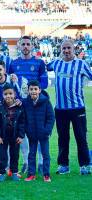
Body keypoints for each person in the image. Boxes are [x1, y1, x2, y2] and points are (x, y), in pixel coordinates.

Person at [47, 39, 92, 175]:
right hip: (60, 108)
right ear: (60, 49)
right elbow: (43, 67)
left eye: (68, 48)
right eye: (64, 48)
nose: (66, 51)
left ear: (73, 49)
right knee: (62, 138)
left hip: (78, 108)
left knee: (81, 137)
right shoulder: (56, 63)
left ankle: (84, 165)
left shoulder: (82, 63)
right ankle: (63, 165)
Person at [10, 35, 48, 174]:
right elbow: (11, 83)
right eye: (23, 44)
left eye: (28, 44)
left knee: (37, 133)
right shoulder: (13, 63)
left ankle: (40, 162)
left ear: (32, 46)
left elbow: (44, 82)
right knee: (22, 133)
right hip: (20, 104)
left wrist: (34, 93)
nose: (25, 47)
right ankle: (26, 162)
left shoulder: (39, 62)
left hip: (35, 104)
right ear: (19, 46)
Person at [22, 80, 55, 182]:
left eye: (35, 89)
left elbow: (51, 117)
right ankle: (31, 174)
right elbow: (23, 118)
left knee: (45, 154)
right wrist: (27, 130)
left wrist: (47, 131)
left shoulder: (46, 102)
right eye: (31, 89)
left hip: (43, 134)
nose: (33, 91)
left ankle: (46, 174)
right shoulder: (26, 102)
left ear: (39, 90)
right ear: (28, 90)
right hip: (32, 134)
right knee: (31, 154)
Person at [0, 83, 25, 182]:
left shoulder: (19, 107)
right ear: (3, 95)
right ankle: (2, 173)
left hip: (14, 135)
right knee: (2, 155)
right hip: (3, 136)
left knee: (14, 154)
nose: (8, 96)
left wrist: (21, 136)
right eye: (6, 94)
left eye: (10, 94)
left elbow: (22, 122)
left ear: (14, 94)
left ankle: (14, 172)